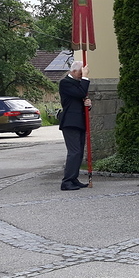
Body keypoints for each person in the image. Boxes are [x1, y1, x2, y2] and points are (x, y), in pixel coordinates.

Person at [58, 61, 91, 191]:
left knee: (79, 153)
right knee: (74, 152)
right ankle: (66, 181)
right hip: (70, 122)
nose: (82, 75)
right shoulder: (65, 83)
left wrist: (88, 104)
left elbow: (80, 98)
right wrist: (86, 78)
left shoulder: (78, 84)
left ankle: (73, 178)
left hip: (79, 121)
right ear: (74, 71)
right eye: (80, 73)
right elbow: (81, 93)